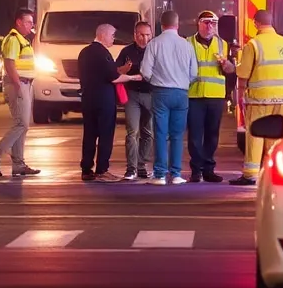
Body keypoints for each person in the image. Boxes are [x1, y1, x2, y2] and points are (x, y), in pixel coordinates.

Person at [229, 9, 283, 187]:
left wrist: (236, 61)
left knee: (255, 135)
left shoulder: (254, 45)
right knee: (275, 137)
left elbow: (243, 72)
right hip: (280, 98)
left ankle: (250, 174)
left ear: (256, 23)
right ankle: (274, 172)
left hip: (259, 98)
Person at [78, 23, 142, 181]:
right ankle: (102, 169)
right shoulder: (102, 53)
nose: (113, 38)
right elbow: (113, 77)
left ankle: (86, 169)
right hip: (103, 100)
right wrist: (134, 77)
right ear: (102, 35)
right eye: (112, 35)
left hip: (87, 98)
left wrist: (120, 70)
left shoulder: (84, 52)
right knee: (106, 134)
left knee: (90, 134)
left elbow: (104, 72)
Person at [140, 10, 198, 185]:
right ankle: (176, 174)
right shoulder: (187, 45)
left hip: (161, 92)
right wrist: (183, 82)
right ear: (177, 24)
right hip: (181, 93)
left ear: (161, 25)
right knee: (177, 135)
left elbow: (145, 71)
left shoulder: (154, 44)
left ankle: (160, 175)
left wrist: (155, 80)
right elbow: (194, 73)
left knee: (160, 133)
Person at [0, 8, 41, 177]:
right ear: (19, 22)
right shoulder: (14, 39)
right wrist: (17, 86)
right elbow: (9, 64)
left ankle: (18, 165)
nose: (31, 25)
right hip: (18, 84)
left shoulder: (23, 40)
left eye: (32, 22)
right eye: (28, 22)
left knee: (22, 126)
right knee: (22, 124)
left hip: (24, 84)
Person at [186, 10, 235, 183]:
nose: (210, 26)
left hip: (215, 96)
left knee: (212, 135)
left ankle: (208, 169)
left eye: (213, 23)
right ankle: (196, 170)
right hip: (194, 95)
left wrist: (227, 65)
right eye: (206, 22)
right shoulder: (187, 43)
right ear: (198, 24)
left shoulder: (223, 44)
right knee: (194, 136)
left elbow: (231, 70)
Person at [115, 21, 155, 180]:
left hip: (151, 94)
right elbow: (117, 71)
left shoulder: (155, 50)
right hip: (132, 94)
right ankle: (131, 168)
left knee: (148, 132)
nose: (144, 39)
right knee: (132, 131)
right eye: (141, 35)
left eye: (147, 35)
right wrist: (125, 69)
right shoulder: (126, 51)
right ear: (135, 35)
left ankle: (141, 165)